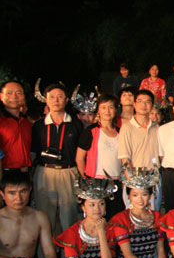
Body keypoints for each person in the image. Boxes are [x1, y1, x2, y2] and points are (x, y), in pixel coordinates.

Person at [109, 165, 173, 258]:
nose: (140, 199)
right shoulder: (121, 220)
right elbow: (128, 256)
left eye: (144, 194)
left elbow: (160, 250)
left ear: (150, 195)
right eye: (135, 195)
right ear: (129, 196)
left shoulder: (157, 217)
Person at [31, 83, 85, 235]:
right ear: (46, 100)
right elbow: (33, 153)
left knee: (70, 217)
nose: (56, 100)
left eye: (60, 97)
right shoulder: (38, 125)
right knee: (45, 218)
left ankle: (69, 250)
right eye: (52, 97)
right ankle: (45, 250)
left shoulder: (75, 124)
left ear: (66, 100)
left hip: (69, 172)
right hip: (44, 172)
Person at [76, 94, 123, 219]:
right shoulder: (91, 131)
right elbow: (79, 158)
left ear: (116, 110)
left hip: (116, 182)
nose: (107, 111)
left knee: (115, 217)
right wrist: (86, 179)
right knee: (98, 217)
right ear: (98, 110)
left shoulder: (120, 132)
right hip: (96, 181)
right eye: (103, 107)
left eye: (111, 107)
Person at [117, 89, 161, 210]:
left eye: (147, 102)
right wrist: (133, 183)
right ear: (134, 104)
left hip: (153, 179)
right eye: (140, 101)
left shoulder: (157, 128)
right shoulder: (127, 128)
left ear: (152, 105)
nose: (144, 105)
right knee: (135, 215)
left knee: (153, 215)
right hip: (135, 179)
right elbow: (125, 158)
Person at [0, 81, 31, 173]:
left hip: (25, 173)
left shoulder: (26, 122)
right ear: (1, 96)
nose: (14, 97)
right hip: (4, 173)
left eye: (18, 93)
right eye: (9, 93)